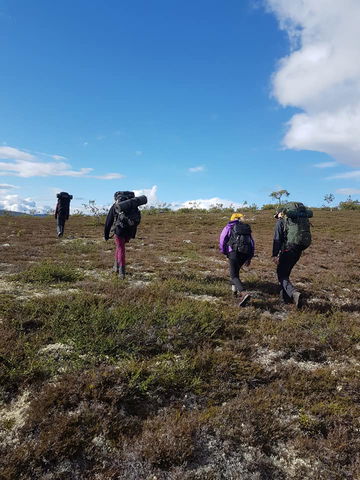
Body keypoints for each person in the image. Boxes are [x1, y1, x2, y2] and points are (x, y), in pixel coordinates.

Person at [272, 204, 312, 308]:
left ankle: (294, 293)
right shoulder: (297, 222)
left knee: (281, 274)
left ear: (281, 213)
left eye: (277, 215)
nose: (277, 217)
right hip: (298, 249)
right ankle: (286, 299)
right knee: (285, 274)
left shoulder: (281, 222)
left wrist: (274, 255)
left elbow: (277, 239)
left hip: (288, 249)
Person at [104, 191, 143, 279]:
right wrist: (133, 234)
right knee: (119, 247)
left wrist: (106, 235)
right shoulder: (133, 206)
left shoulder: (116, 206)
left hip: (119, 231)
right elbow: (135, 220)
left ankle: (122, 272)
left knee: (120, 248)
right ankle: (116, 267)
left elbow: (108, 222)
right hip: (129, 231)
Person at [219, 213, 255, 306]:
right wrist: (249, 257)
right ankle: (234, 293)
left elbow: (222, 239)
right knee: (236, 272)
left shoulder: (229, 226)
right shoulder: (246, 227)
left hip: (233, 252)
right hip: (245, 253)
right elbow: (251, 243)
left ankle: (243, 293)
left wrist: (224, 251)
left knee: (233, 275)